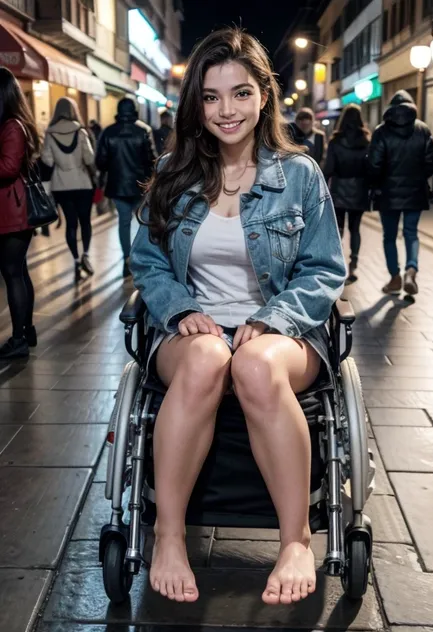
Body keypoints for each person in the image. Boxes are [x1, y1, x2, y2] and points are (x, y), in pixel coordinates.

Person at [130, 27, 346, 605]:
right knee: (206, 359)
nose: (226, 110)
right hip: (193, 327)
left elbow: (323, 270)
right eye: (210, 96)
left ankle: (296, 538)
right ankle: (169, 537)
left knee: (252, 364)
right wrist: (182, 310)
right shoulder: (175, 172)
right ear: (195, 104)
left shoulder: (300, 176)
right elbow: (148, 262)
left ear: (264, 97)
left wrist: (274, 319)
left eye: (241, 93)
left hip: (282, 331)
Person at [368, 90, 433, 295]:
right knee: (411, 233)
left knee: (389, 236)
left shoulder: (381, 132)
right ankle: (411, 269)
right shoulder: (422, 129)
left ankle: (395, 278)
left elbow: (374, 164)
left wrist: (376, 184)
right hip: (415, 192)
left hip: (387, 194)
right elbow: (431, 160)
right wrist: (419, 178)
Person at [0, 67, 39, 359]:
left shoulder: (12, 126)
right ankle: (25, 330)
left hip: (12, 212)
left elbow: (8, 167)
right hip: (11, 210)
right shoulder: (12, 124)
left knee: (13, 273)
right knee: (18, 272)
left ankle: (18, 338)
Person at [96, 98, 156, 277]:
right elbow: (152, 159)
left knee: (124, 222)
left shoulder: (108, 132)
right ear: (134, 111)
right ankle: (144, 260)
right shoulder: (143, 131)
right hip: (140, 185)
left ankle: (127, 259)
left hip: (117, 185)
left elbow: (101, 162)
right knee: (144, 222)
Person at [42, 98, 96, 282]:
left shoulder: (49, 134)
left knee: (71, 224)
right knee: (85, 222)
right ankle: (86, 256)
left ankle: (75, 260)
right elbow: (89, 158)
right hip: (83, 183)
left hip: (61, 186)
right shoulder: (80, 132)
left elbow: (47, 160)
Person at [324, 104, 370, 283]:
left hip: (339, 190)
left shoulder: (335, 141)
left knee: (338, 229)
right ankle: (354, 264)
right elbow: (370, 167)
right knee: (355, 229)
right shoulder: (365, 140)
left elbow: (328, 168)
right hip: (359, 188)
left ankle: (338, 263)